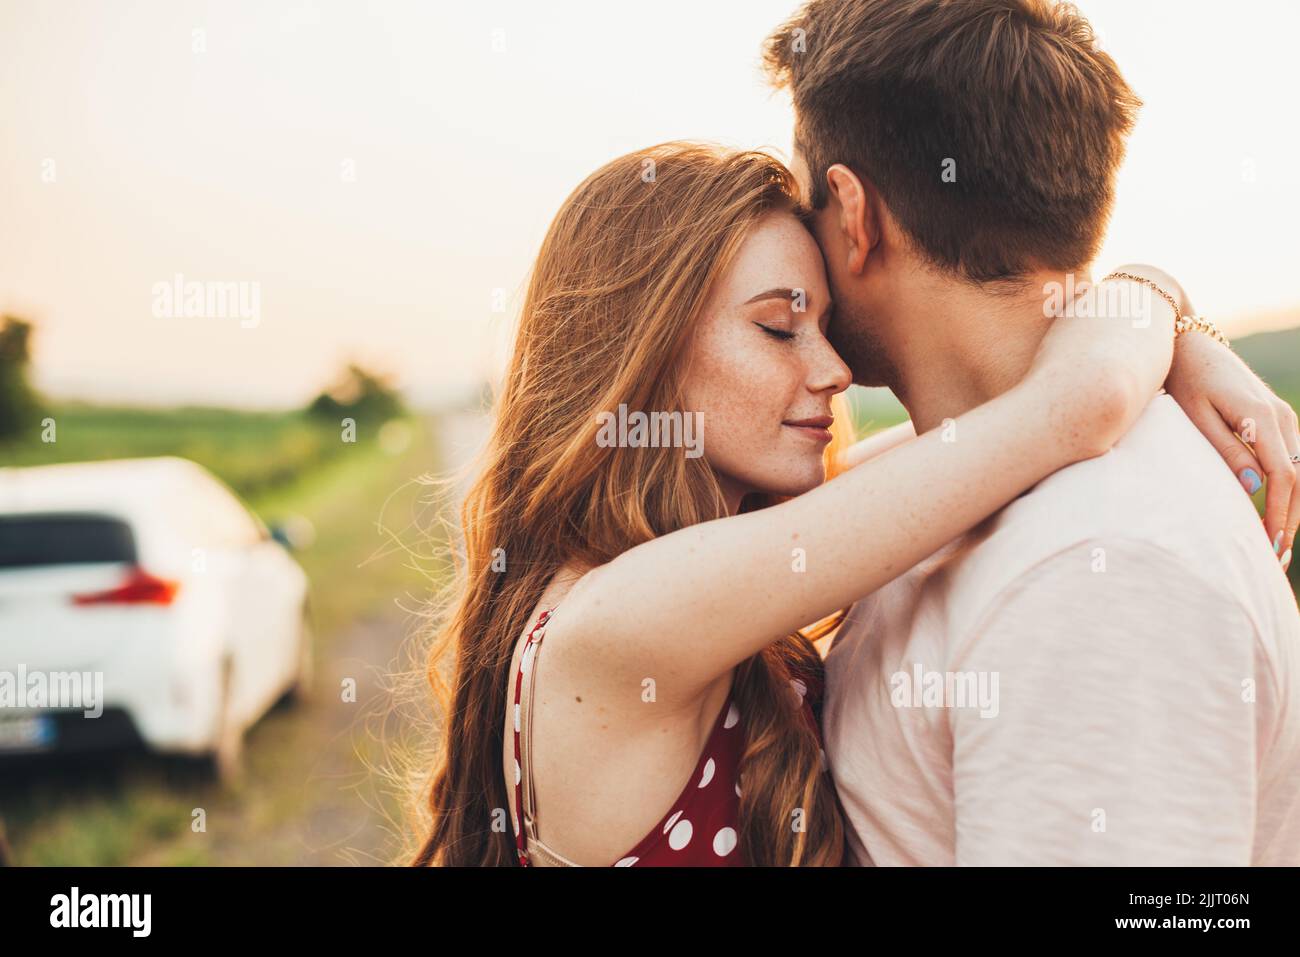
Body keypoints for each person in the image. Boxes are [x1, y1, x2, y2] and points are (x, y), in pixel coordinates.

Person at [410, 138, 1296, 866]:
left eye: (824, 327)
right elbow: (1068, 410)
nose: (832, 370)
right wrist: (1161, 299)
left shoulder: (716, 554)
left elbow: (976, 440)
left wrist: (1177, 330)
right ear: (640, 351)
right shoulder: (620, 618)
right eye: (776, 327)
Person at [763, 0, 1300, 864]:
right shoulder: (933, 476)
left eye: (803, 199)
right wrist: (1159, 297)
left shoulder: (1097, 566)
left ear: (854, 215)